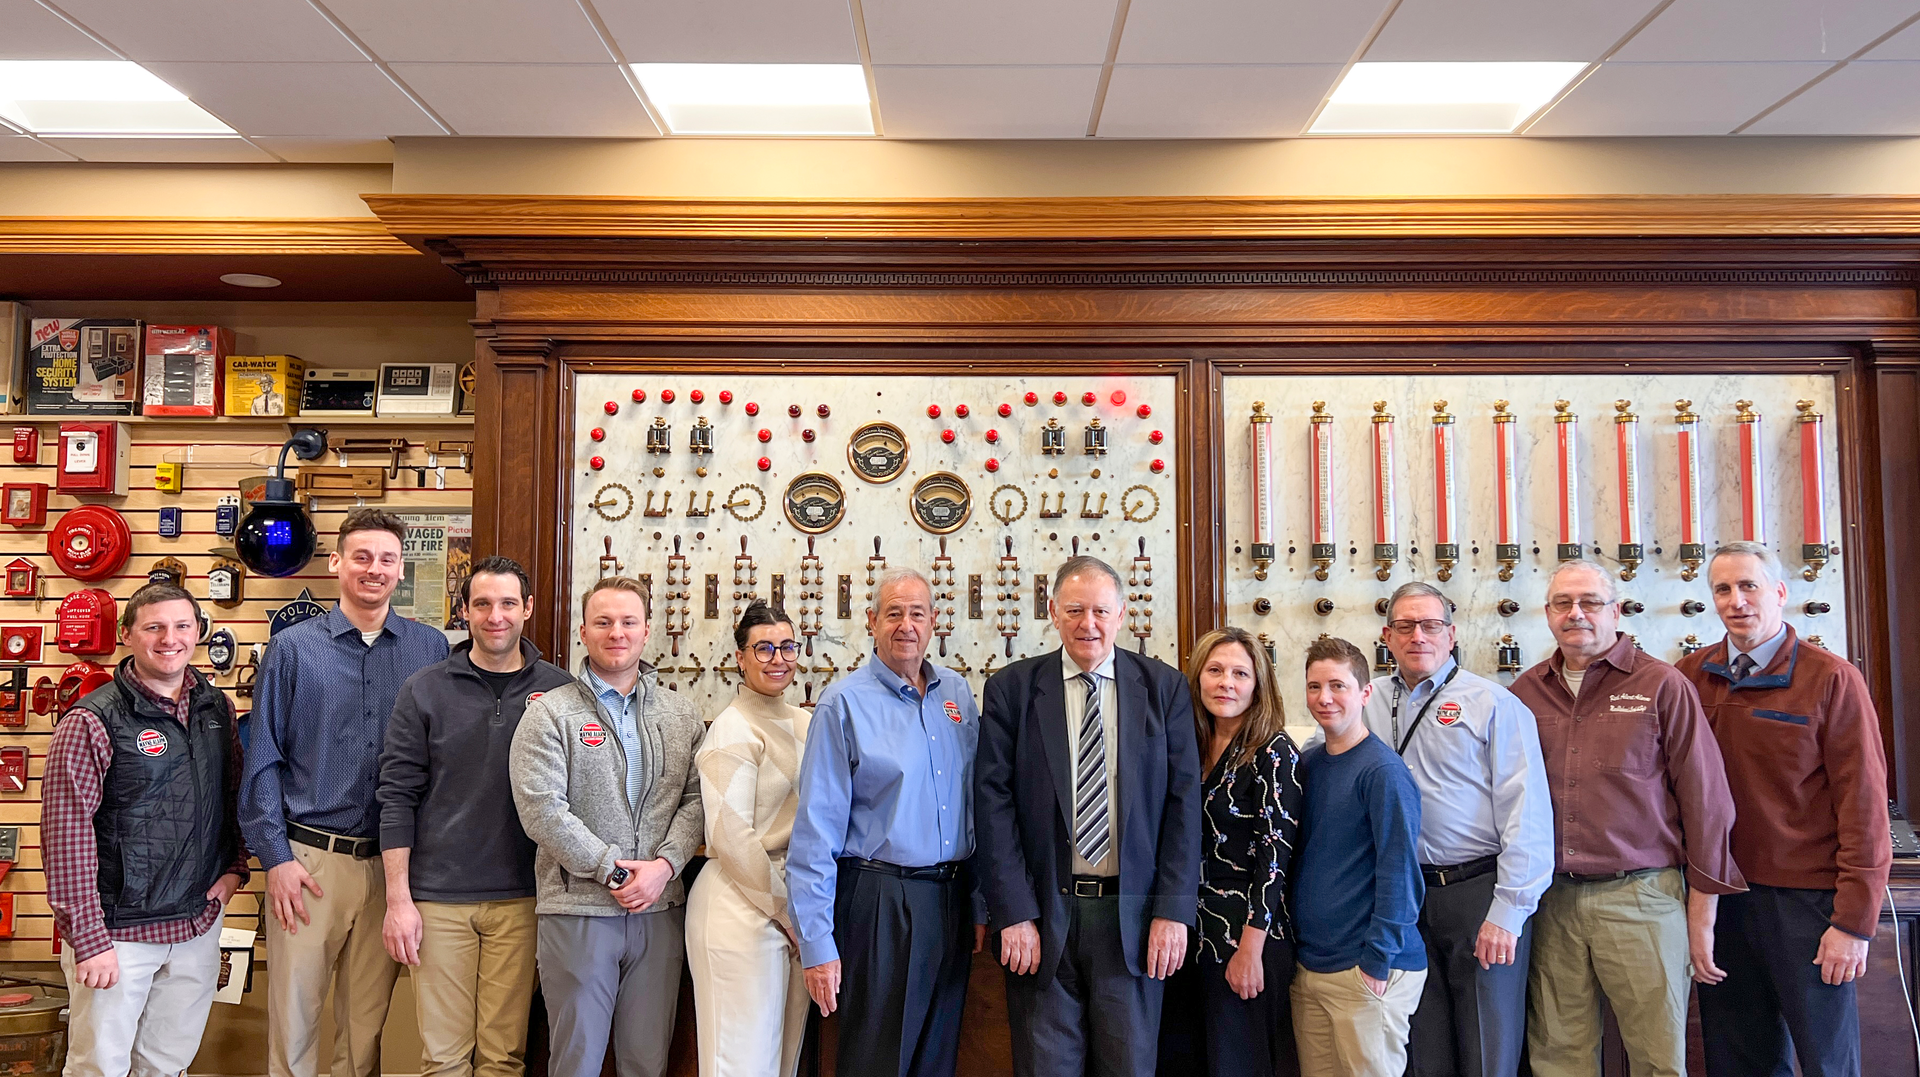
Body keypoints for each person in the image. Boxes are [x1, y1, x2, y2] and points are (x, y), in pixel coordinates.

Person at [1507, 561, 1744, 1077]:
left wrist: (1702, 917)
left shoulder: (1662, 685)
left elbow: (1707, 804)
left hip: (1642, 898)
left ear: (1615, 610)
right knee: (1558, 1058)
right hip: (1551, 903)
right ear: (1547, 615)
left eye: (1590, 602)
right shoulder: (1524, 694)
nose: (1576, 614)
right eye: (1562, 604)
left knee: (1658, 1059)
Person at [241, 507, 451, 1077]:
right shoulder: (292, 649)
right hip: (309, 863)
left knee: (365, 1032)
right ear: (336, 562)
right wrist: (276, 860)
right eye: (361, 557)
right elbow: (262, 760)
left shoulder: (429, 650)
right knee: (294, 1021)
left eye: (386, 559)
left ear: (401, 568)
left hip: (392, 867)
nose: (374, 569)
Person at [975, 555, 1202, 1077]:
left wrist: (1173, 910)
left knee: (1129, 1067)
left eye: (1101, 610)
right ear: (1052, 611)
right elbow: (993, 806)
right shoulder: (1011, 689)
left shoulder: (1164, 689)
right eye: (1074, 610)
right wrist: (1012, 911)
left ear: (1122, 614)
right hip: (1043, 921)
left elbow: (1183, 806)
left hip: (1134, 921)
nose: (1088, 624)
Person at [1678, 541, 1891, 1077]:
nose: (1735, 600)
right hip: (1720, 903)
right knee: (1737, 1057)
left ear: (1779, 592)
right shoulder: (1687, 677)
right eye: (1722, 589)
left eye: (1748, 586)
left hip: (1807, 909)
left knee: (1827, 1059)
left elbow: (1864, 808)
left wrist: (1853, 923)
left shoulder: (1831, 679)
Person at [375, 556, 574, 1077]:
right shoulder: (425, 689)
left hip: (526, 898)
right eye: (482, 604)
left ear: (528, 609)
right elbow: (396, 795)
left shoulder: (561, 691)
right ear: (464, 611)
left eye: (508, 603)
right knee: (443, 1059)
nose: (496, 616)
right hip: (438, 900)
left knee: (503, 1057)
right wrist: (399, 899)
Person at [42, 583, 248, 1077]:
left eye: (181, 626)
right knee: (99, 1067)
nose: (169, 639)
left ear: (199, 632)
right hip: (118, 933)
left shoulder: (215, 709)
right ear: (127, 634)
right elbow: (65, 834)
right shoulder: (91, 720)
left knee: (167, 1064)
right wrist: (87, 937)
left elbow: (234, 795)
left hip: (195, 923)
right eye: (153, 626)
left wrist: (236, 869)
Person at [788, 568, 982, 1077]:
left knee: (935, 1061)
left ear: (935, 621)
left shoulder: (957, 695)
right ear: (871, 621)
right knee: (878, 1061)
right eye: (893, 612)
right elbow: (815, 832)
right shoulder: (843, 703)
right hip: (879, 903)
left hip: (951, 901)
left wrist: (979, 902)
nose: (906, 624)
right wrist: (816, 944)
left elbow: (975, 806)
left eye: (917, 612)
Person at [508, 575, 705, 1077]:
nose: (616, 632)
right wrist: (612, 872)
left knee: (647, 1061)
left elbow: (698, 800)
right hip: (579, 909)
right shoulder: (549, 713)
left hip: (659, 912)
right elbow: (542, 810)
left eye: (628, 621)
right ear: (583, 631)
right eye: (603, 622)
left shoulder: (681, 714)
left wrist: (665, 866)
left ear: (646, 630)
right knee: (577, 1062)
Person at [1368, 581, 1552, 1077]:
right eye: (1405, 626)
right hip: (1401, 897)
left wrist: (1509, 912)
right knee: (1422, 1051)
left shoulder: (1493, 704)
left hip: (1477, 894)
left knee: (1486, 1051)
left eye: (1430, 625)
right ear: (1387, 635)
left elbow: (1526, 813)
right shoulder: (1366, 702)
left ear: (1451, 635)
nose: (1417, 636)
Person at [1158, 627, 1302, 1077]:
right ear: (1196, 677)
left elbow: (1274, 859)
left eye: (1241, 673)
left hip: (1243, 938)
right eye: (1215, 670)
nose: (1227, 683)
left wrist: (1250, 951)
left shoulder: (1274, 752)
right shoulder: (1189, 744)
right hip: (1187, 936)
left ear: (1259, 684)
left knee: (1237, 1065)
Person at [687, 601, 813, 1077]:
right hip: (740, 904)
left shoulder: (804, 722)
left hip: (792, 903)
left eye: (787, 646)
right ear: (740, 657)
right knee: (739, 1062)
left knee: (782, 1062)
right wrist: (785, 912)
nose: (778, 658)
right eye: (763, 648)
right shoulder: (731, 729)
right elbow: (730, 836)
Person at [1291, 636, 1426, 1077]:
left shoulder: (1382, 772)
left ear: (1365, 693)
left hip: (1366, 970)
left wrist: (1376, 960)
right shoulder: (1309, 765)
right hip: (1313, 966)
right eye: (1314, 687)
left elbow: (1400, 872)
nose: (1324, 698)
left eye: (1337, 686)